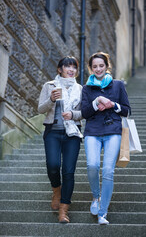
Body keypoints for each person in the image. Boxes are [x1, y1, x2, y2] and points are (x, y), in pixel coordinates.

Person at [81, 52, 131, 225]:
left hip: (113, 131)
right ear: (90, 68)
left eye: (101, 65)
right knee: (92, 165)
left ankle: (103, 212)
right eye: (94, 66)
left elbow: (126, 110)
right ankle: (96, 196)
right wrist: (97, 102)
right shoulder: (86, 88)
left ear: (107, 66)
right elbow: (84, 113)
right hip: (93, 131)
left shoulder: (118, 85)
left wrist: (113, 105)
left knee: (108, 171)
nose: (98, 69)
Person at [38, 56, 83, 223]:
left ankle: (63, 210)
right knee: (53, 166)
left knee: (69, 171)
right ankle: (56, 190)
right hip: (53, 132)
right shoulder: (49, 86)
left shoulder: (80, 89)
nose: (71, 70)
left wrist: (73, 114)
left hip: (72, 134)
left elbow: (84, 113)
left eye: (74, 67)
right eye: (67, 67)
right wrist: (51, 99)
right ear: (60, 69)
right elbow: (40, 108)